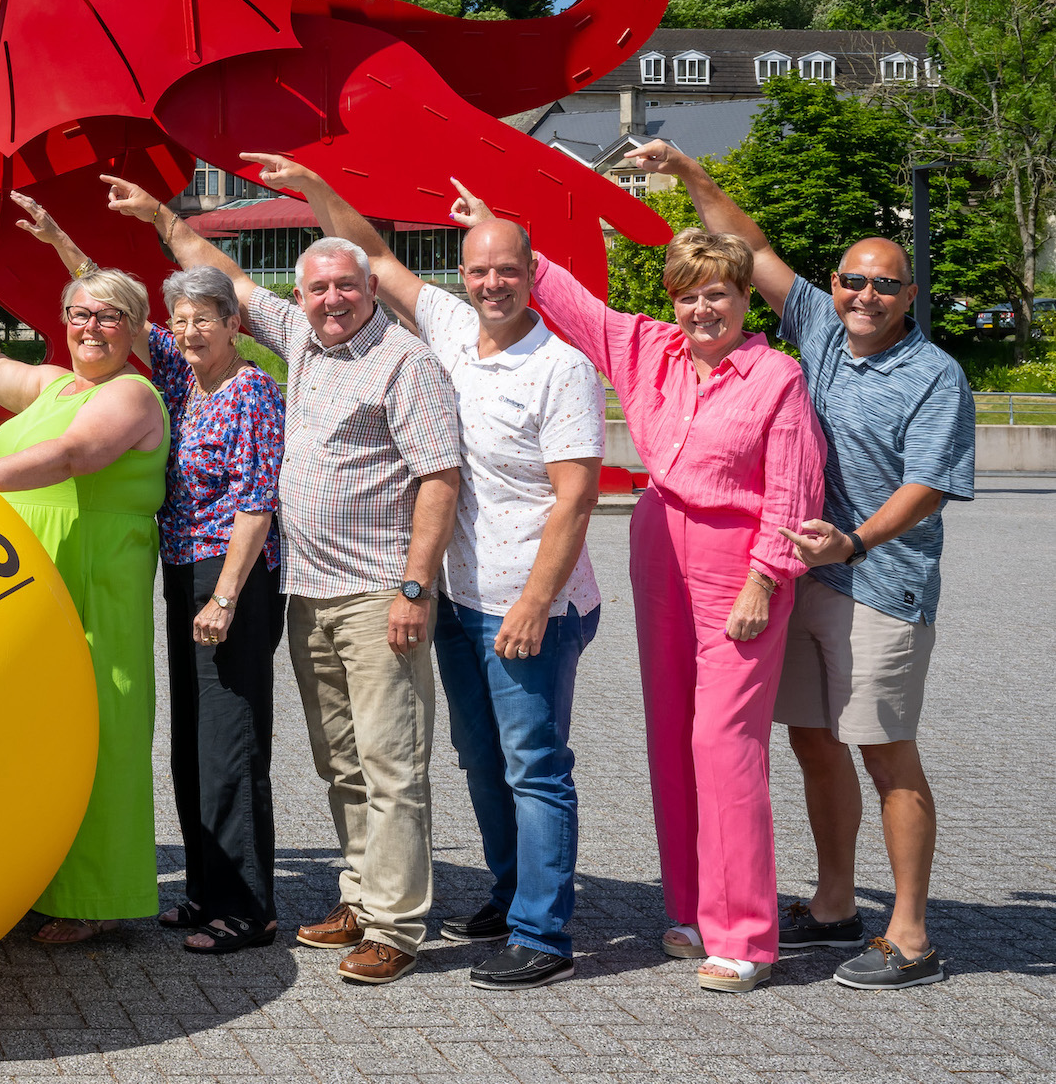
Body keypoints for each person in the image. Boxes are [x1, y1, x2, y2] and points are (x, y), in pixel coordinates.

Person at [455, 180, 827, 993]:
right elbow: (570, 301)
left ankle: (746, 935)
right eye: (690, 296)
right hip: (660, 540)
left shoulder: (777, 381)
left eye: (719, 296)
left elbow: (794, 497)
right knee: (670, 733)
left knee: (723, 746)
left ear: (741, 301)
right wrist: (494, 226)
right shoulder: (648, 347)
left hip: (742, 560)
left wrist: (767, 580)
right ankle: (692, 911)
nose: (703, 311)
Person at [247, 153, 603, 991]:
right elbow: (375, 257)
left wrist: (536, 601)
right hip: (457, 594)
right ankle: (510, 892)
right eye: (479, 270)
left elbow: (576, 500)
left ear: (533, 275)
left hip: (528, 599)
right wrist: (316, 191)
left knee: (534, 763)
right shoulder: (448, 326)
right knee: (479, 759)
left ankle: (543, 933)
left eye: (507, 271)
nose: (491, 284)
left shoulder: (561, 369)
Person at [99, 176, 462, 986]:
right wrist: (161, 217)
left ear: (371, 287)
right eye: (317, 288)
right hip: (310, 588)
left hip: (378, 591)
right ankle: (361, 898)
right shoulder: (301, 337)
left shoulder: (406, 363)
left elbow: (440, 477)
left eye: (344, 285)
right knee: (341, 761)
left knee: (392, 761)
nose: (331, 299)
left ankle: (396, 927)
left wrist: (414, 586)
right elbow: (218, 278)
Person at [633, 140, 974, 991]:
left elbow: (929, 485)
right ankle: (832, 906)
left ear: (909, 297)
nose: (863, 296)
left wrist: (855, 542)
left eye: (883, 285)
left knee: (885, 751)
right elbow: (751, 251)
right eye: (853, 281)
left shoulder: (934, 374)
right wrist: (692, 176)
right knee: (813, 744)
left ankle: (910, 933)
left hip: (879, 583)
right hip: (798, 574)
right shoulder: (818, 326)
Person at [4, 194, 286, 956]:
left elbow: (257, 504)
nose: (190, 331)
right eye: (183, 320)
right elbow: (112, 308)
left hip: (232, 577)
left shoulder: (250, 390)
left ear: (236, 326)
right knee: (192, 739)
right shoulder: (179, 372)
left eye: (206, 319)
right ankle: (203, 891)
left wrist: (226, 597)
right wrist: (62, 236)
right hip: (182, 572)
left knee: (230, 738)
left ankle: (248, 908)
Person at [0, 227, 169, 944]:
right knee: (29, 726)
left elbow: (73, 455)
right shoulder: (51, 383)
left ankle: (95, 899)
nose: (91, 327)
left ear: (133, 330)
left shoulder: (133, 394)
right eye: (80, 314)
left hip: (96, 569)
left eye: (109, 316)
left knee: (101, 727)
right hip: (30, 569)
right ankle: (30, 878)